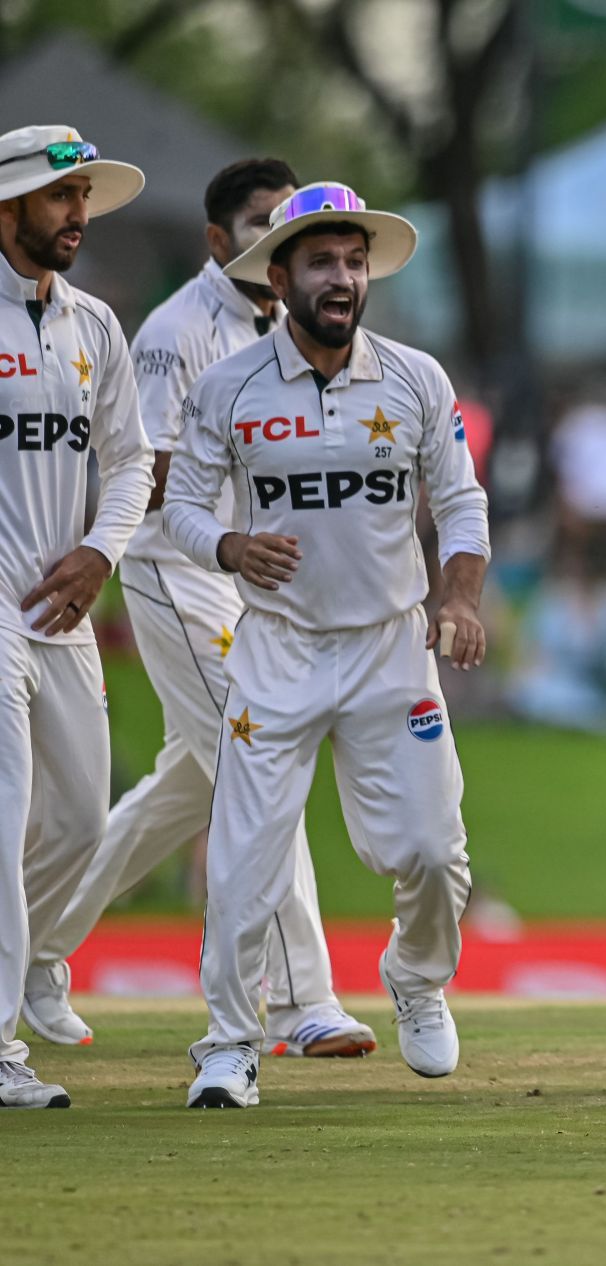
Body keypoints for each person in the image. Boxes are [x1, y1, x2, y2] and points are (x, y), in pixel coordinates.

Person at [22, 159, 375, 1058]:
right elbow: (153, 467)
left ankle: (35, 950)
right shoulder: (175, 333)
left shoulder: (285, 327)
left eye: (286, 222)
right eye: (259, 222)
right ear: (218, 240)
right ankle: (303, 1001)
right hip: (177, 574)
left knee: (177, 793)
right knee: (263, 761)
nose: (275, 238)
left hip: (251, 580)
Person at [163, 182, 489, 1108]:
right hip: (277, 650)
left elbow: (461, 502)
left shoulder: (417, 379)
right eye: (321, 262)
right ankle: (230, 1041)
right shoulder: (227, 387)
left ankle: (416, 978)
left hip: (392, 646)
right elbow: (182, 507)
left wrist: (461, 595)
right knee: (243, 863)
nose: (342, 278)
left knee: (433, 854)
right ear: (280, 278)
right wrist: (228, 545)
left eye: (355, 261)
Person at [0, 125, 154, 1108]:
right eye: (61, 199)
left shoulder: (95, 325)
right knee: (7, 815)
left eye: (84, 198)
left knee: (78, 818)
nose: (79, 217)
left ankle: (17, 982)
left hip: (59, 606)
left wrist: (103, 549)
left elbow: (133, 461)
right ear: (8, 208)